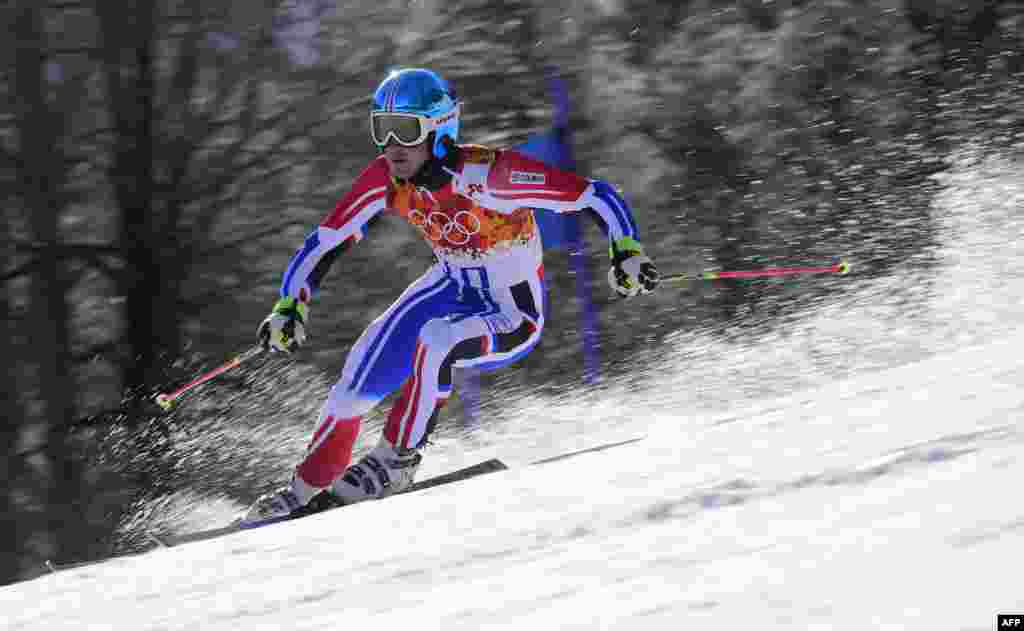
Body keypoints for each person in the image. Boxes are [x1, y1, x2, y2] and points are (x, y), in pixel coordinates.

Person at [241, 68, 659, 525]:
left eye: (406, 130)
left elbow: (595, 197)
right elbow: (327, 240)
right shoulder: (387, 178)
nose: (392, 146)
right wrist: (290, 304)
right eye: (383, 129)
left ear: (439, 130)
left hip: (509, 310)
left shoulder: (492, 176)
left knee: (439, 339)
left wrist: (627, 252)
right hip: (447, 287)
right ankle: (303, 491)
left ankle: (396, 461)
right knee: (358, 372)